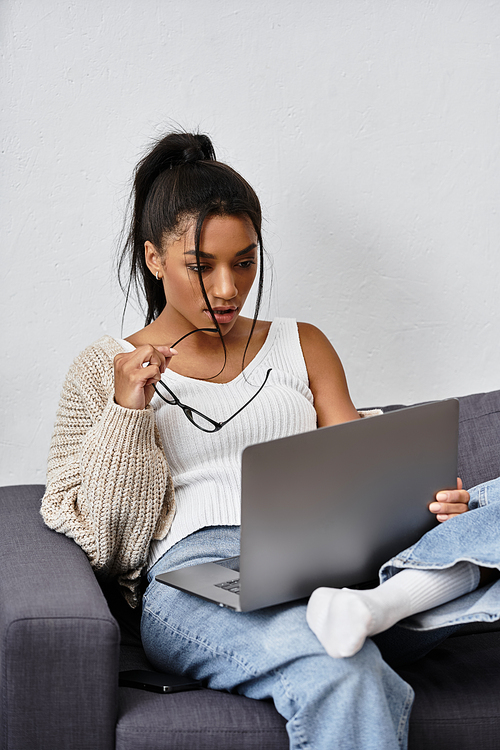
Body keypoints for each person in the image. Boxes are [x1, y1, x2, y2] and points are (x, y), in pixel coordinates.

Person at [41, 131, 500, 750]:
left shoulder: (301, 342)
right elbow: (107, 543)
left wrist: (431, 506)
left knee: (490, 504)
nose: (228, 289)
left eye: (245, 262)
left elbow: (359, 462)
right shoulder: (104, 367)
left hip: (335, 569)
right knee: (342, 670)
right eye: (201, 267)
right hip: (197, 578)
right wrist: (128, 410)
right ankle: (379, 609)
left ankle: (390, 598)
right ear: (154, 259)